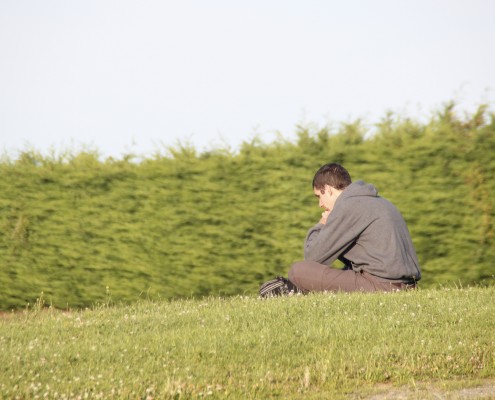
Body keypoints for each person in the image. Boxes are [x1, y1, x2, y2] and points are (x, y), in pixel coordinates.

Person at [287, 162, 421, 293]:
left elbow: (313, 257)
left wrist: (322, 222)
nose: (320, 204)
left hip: (382, 285)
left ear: (328, 189)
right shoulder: (380, 201)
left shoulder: (347, 206)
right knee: (347, 267)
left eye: (319, 196)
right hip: (407, 285)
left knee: (298, 271)